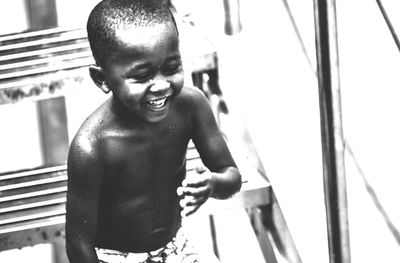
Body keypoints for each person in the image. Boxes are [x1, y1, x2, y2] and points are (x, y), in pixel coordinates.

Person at [65, 0, 242, 262]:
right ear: (102, 80)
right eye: (141, 76)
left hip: (177, 247)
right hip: (116, 258)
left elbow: (232, 177)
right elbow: (79, 244)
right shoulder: (92, 147)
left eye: (171, 68)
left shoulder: (191, 106)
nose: (160, 86)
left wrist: (211, 184)